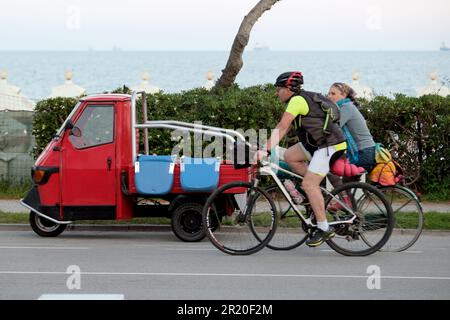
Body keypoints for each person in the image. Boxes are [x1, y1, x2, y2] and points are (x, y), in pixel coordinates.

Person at [255, 72, 347, 247]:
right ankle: (314, 187)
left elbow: (282, 127)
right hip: (317, 145)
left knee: (308, 185)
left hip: (329, 146)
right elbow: (284, 129)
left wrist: (265, 150)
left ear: (288, 89)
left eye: (279, 89)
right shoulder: (299, 100)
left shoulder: (297, 101)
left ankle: (324, 227)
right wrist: (264, 146)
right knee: (290, 156)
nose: (277, 93)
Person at [326, 82, 376, 209]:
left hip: (363, 153)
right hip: (363, 151)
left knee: (331, 170)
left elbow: (333, 128)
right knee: (345, 183)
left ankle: (345, 203)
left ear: (343, 95)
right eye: (329, 93)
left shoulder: (346, 108)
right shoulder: (344, 107)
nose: (329, 96)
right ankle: (351, 214)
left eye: (333, 94)